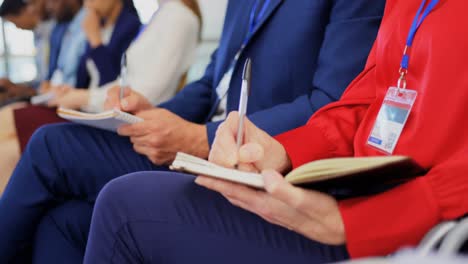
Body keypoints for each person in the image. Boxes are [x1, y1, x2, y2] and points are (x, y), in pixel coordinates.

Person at [0, 0, 386, 262]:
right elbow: (211, 83)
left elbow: (333, 103)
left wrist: (200, 137)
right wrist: (154, 116)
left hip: (253, 156)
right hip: (202, 137)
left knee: (51, 145)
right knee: (63, 220)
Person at [83, 0, 468, 262]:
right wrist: (282, 151)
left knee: (121, 204)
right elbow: (368, 97)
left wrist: (363, 220)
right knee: (67, 220)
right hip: (355, 185)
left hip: (411, 218)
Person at [0, 0, 86, 192]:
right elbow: (58, 75)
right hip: (60, 98)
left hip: (71, 105)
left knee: (5, 151)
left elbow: (84, 81)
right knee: (5, 120)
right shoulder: (65, 27)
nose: (48, 5)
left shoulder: (84, 26)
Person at [0, 0, 53, 104]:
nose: (17, 27)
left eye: (14, 22)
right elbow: (43, 79)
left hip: (53, 95)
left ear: (25, 10)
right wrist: (17, 87)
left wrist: (27, 90)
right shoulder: (38, 38)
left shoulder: (51, 30)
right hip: (45, 93)